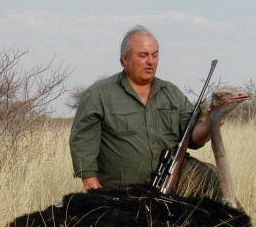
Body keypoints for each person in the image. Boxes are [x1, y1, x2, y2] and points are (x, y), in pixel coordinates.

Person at [69, 25, 221, 200]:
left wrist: (211, 123)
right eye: (143, 55)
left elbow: (193, 138)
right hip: (122, 195)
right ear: (124, 60)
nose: (151, 61)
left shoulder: (172, 93)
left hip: (173, 185)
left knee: (215, 181)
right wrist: (94, 189)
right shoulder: (98, 95)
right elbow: (82, 143)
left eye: (155, 55)